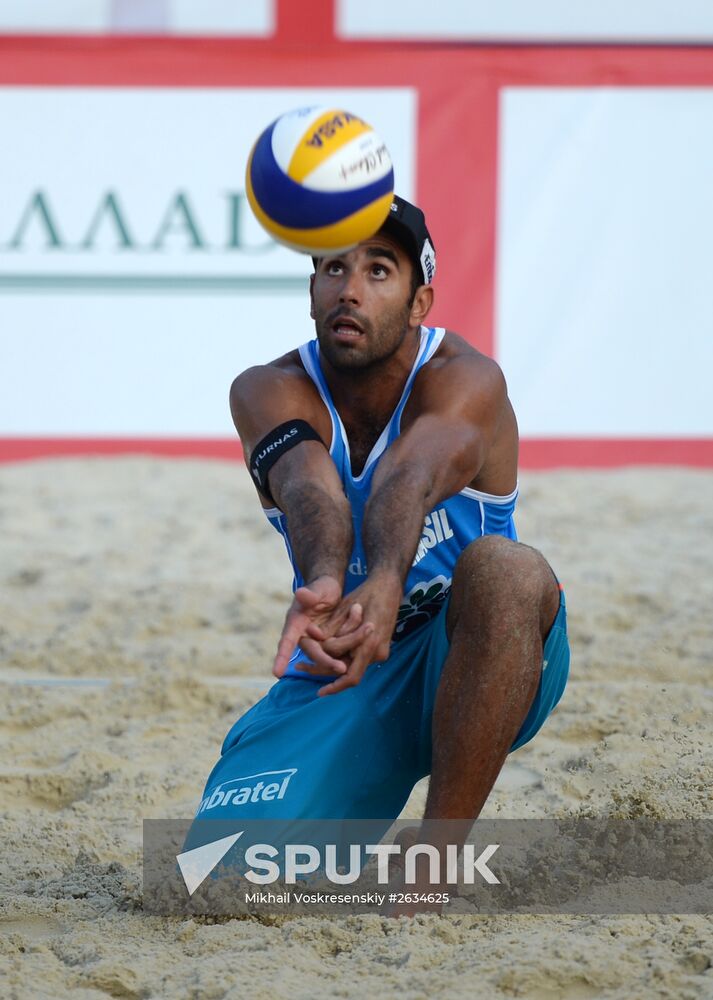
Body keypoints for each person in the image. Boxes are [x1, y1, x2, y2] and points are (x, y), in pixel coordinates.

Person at [191, 195, 569, 905]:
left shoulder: (466, 378)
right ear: (310, 292)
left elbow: (412, 472)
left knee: (505, 571)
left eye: (379, 269)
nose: (351, 288)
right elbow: (309, 489)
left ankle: (437, 858)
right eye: (333, 268)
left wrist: (388, 574)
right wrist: (329, 582)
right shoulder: (266, 389)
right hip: (346, 658)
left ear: (420, 299)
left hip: (476, 657)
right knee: (208, 881)